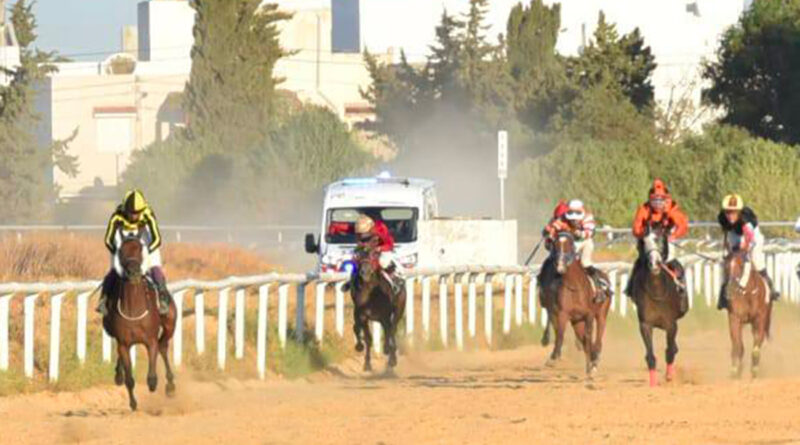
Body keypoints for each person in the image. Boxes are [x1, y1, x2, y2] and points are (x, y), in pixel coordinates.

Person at [97, 189, 172, 316]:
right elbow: (108, 239)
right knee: (115, 270)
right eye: (131, 213)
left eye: (137, 213)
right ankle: (104, 299)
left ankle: (163, 297)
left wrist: (146, 251)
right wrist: (118, 253)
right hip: (122, 241)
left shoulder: (148, 214)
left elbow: (157, 239)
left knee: (154, 268)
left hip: (145, 241)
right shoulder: (116, 216)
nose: (133, 216)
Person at [626, 179, 690, 302]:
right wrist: (641, 233)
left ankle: (681, 287)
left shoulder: (671, 209)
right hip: (648, 238)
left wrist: (675, 235)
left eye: (660, 200)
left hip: (666, 238)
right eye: (654, 200)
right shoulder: (644, 209)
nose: (657, 204)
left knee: (672, 260)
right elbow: (636, 227)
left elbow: (682, 225)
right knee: (640, 262)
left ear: (666, 199)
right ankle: (631, 288)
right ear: (650, 200)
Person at [717, 194, 779, 310]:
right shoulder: (722, 218)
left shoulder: (746, 219)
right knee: (729, 264)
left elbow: (749, 238)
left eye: (734, 212)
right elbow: (726, 233)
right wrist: (728, 251)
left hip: (752, 235)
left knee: (755, 260)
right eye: (728, 212)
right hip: (734, 234)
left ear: (739, 212)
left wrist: (743, 249)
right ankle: (723, 297)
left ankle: (771, 289)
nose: (730, 215)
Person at [543, 199, 610, 301]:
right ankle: (544, 285)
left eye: (576, 216)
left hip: (584, 243)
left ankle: (598, 287)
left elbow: (590, 232)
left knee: (585, 262)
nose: (574, 220)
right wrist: (549, 235)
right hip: (570, 242)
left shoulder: (588, 217)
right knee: (556, 259)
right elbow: (554, 227)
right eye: (571, 215)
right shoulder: (563, 217)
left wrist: (579, 233)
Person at [350, 213, 403, 294]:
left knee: (383, 262)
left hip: (383, 248)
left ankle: (393, 282)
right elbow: (359, 243)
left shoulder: (380, 229)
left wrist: (380, 248)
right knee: (354, 260)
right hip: (368, 249)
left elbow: (389, 244)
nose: (362, 234)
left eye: (364, 232)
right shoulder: (359, 231)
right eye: (360, 233)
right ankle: (351, 282)